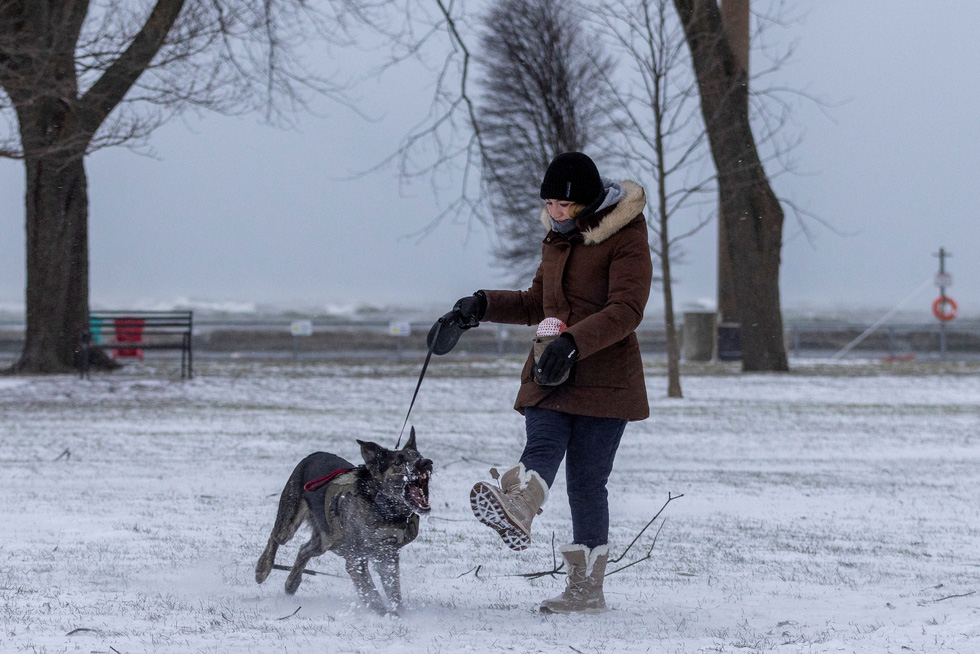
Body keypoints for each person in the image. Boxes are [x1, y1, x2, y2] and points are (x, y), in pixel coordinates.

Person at [446, 151, 653, 614]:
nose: (555, 212)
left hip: (605, 377)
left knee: (586, 484)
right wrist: (481, 305)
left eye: (564, 204)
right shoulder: (557, 240)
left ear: (589, 202)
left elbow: (626, 309)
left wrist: (575, 342)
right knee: (542, 440)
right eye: (549, 203)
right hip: (551, 369)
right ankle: (519, 506)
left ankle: (586, 590)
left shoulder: (626, 236)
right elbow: (536, 303)